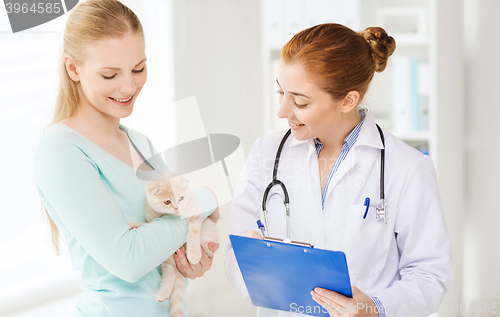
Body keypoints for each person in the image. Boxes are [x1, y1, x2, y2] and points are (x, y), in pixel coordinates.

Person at [225, 23, 453, 317]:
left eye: (300, 101)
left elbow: (430, 273)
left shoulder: (406, 167)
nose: (282, 111)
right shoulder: (266, 155)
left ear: (348, 100)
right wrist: (254, 261)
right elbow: (235, 257)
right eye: (281, 93)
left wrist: (376, 309)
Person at [33, 0, 219, 316]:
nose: (129, 87)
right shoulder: (60, 149)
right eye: (110, 75)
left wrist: (194, 255)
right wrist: (205, 199)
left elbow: (170, 239)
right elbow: (129, 259)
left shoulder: (140, 142)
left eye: (138, 69)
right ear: (73, 69)